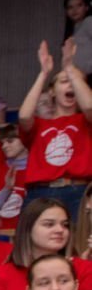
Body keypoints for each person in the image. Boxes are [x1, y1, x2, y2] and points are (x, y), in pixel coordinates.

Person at [18, 39, 92, 219]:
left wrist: (69, 68)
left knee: (79, 237)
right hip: (40, 191)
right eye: (64, 81)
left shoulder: (85, 121)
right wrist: (43, 73)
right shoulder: (40, 124)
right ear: (52, 91)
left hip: (79, 190)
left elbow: (89, 107)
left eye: (75, 82)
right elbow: (24, 116)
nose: (71, 85)